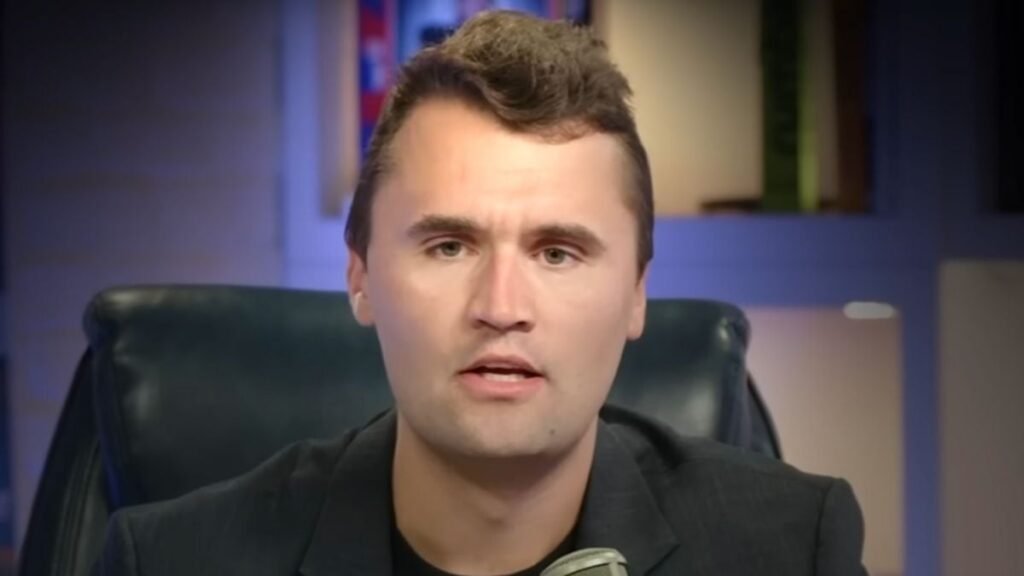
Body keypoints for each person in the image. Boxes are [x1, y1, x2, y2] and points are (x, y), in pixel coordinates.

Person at [95, 10, 867, 576]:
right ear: (360, 275)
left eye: (557, 253)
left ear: (637, 293)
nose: (501, 306)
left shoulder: (793, 548)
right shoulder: (170, 561)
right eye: (449, 246)